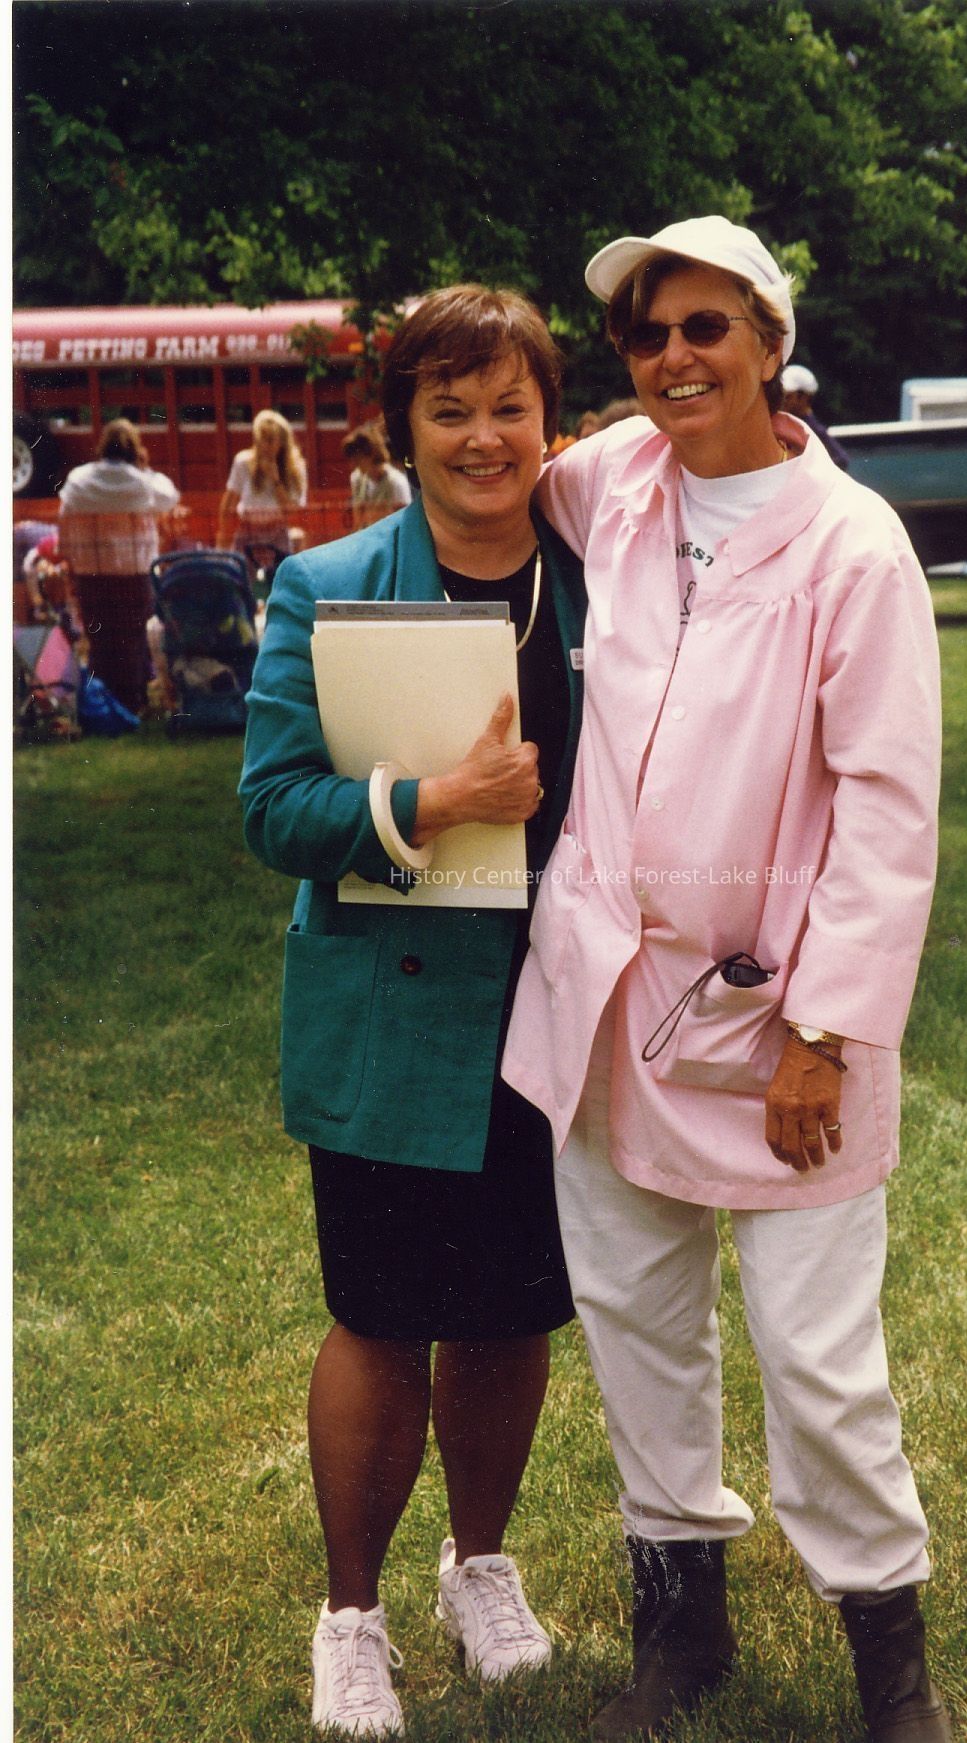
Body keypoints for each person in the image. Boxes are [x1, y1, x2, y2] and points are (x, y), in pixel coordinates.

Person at [501, 216, 949, 1743]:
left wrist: (826, 1030)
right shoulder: (611, 483)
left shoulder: (849, 544)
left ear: (769, 340)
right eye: (645, 334)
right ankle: (679, 1629)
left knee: (816, 1359)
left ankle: (889, 1661)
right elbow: (489, 475)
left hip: (782, 1022)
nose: (673, 357)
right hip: (611, 998)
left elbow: (885, 803)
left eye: (704, 327)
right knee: (633, 1319)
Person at [239, 284, 586, 1740]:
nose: (483, 436)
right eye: (450, 409)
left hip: (554, 1006)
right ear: (404, 429)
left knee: (511, 1307)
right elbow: (273, 808)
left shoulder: (601, 577)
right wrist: (431, 801)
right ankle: (352, 1619)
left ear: (551, 422)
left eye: (510, 406)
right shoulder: (328, 584)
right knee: (379, 1314)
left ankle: (479, 1568)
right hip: (391, 1009)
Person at [57, 418, 180, 713]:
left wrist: (70, 560)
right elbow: (170, 496)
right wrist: (144, 468)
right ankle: (133, 701)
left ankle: (101, 703)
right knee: (133, 640)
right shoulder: (141, 481)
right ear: (134, 449)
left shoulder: (78, 480)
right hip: (133, 574)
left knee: (100, 640)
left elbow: (64, 523)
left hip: (91, 573)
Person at [217, 408, 307, 565]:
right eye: (261, 439)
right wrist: (223, 536)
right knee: (242, 575)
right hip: (248, 532)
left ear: (282, 442)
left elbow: (292, 511)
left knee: (279, 575)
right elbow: (229, 501)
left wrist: (276, 480)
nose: (265, 446)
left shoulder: (295, 467)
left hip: (277, 533)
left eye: (270, 440)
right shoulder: (243, 462)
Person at [781, 361, 851, 470]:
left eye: (788, 396)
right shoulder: (787, 424)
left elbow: (840, 460)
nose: (783, 401)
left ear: (803, 397)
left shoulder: (812, 430)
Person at [342, 421, 412, 528]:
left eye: (358, 458)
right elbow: (357, 522)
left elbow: (406, 522)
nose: (354, 463)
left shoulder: (396, 482)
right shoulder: (357, 478)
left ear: (371, 454)